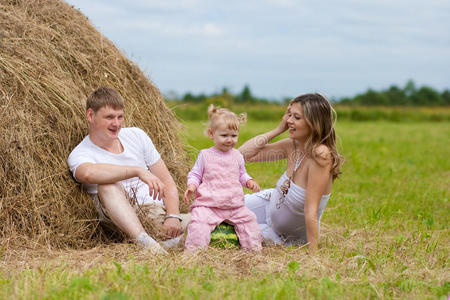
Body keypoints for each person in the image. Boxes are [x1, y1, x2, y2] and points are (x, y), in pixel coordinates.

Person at [67, 87, 189, 255]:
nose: (116, 124)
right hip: (119, 220)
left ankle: (168, 243)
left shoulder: (136, 136)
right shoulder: (81, 153)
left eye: (120, 117)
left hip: (155, 213)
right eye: (109, 117)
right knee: (107, 185)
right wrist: (137, 171)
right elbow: (87, 173)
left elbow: (167, 182)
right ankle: (147, 244)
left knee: (210, 222)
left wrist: (173, 216)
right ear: (90, 115)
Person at [239, 93, 343, 251]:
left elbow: (311, 211)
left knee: (237, 231)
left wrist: (313, 257)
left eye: (296, 117)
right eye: (289, 116)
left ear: (313, 123)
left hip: (283, 236)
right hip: (268, 205)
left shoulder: (321, 156)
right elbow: (243, 155)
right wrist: (278, 129)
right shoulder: (293, 145)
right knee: (217, 207)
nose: (289, 121)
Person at [183, 105, 262, 251]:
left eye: (234, 136)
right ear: (211, 134)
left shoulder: (237, 155)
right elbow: (195, 174)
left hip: (234, 205)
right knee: (199, 222)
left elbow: (241, 174)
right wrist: (192, 186)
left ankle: (253, 250)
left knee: (249, 220)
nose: (229, 140)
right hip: (209, 205)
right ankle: (194, 251)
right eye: (224, 136)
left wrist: (249, 181)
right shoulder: (205, 155)